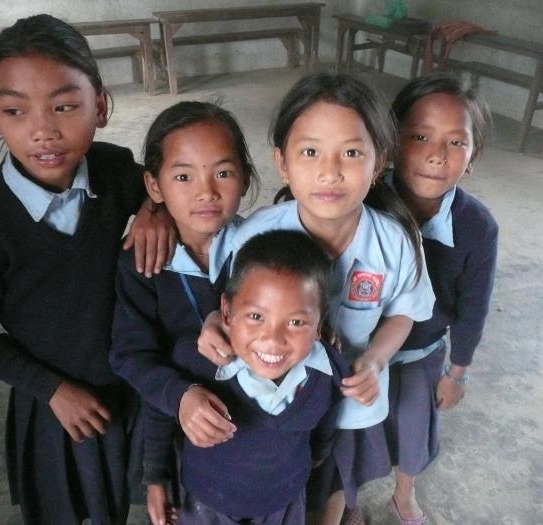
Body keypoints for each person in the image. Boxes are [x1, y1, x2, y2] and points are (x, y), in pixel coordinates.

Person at [0, 14, 171, 525]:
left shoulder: (114, 170)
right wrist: (50, 390)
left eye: (65, 106)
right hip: (59, 400)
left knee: (147, 495)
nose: (43, 130)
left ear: (101, 105)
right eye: (15, 111)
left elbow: (163, 186)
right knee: (70, 507)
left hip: (135, 376)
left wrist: (155, 209)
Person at [196, 72, 436, 525]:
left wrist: (376, 360)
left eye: (351, 152)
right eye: (310, 152)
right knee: (277, 482)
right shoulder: (257, 234)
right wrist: (214, 319)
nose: (330, 171)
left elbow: (405, 309)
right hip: (270, 398)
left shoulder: (395, 241)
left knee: (335, 480)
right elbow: (231, 300)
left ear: (379, 159)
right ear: (281, 162)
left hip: (347, 397)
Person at [108, 100, 258, 525]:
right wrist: (180, 398)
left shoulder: (261, 251)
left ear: (245, 178)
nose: (206, 191)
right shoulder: (140, 264)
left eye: (223, 173)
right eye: (183, 176)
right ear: (153, 188)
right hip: (182, 428)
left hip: (259, 420)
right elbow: (131, 356)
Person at [159, 230, 350, 524]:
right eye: (256, 317)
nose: (273, 339)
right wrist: (154, 477)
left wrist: (319, 454)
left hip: (282, 499)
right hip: (205, 499)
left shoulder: (328, 371)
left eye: (296, 322)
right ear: (226, 312)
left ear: (319, 324)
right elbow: (158, 408)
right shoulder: (195, 360)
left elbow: (328, 416)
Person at [381, 73, 498, 524]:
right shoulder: (363, 203)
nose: (435, 154)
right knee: (354, 434)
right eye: (420, 136)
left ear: (473, 156)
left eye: (456, 142)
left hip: (422, 352)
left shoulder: (477, 227)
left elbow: (473, 308)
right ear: (391, 143)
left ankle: (403, 496)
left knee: (413, 430)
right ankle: (346, 499)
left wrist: (457, 373)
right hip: (356, 350)